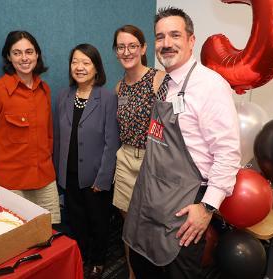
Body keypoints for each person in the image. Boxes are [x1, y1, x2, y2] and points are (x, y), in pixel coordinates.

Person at [123, 7, 241, 279]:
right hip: (149, 200)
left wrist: (208, 208)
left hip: (183, 206)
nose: (166, 43)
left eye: (175, 35)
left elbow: (227, 153)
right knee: (143, 267)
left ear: (191, 40)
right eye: (160, 37)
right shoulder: (165, 84)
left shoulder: (209, 86)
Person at [0, 30, 60, 224]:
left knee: (49, 234)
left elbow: (48, 135)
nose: (24, 58)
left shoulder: (44, 89)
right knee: (15, 241)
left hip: (44, 179)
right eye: (17, 53)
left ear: (37, 54)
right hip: (9, 184)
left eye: (29, 52)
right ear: (8, 57)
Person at [53, 43, 120, 279]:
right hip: (69, 174)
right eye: (75, 62)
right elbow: (58, 137)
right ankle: (81, 256)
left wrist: (103, 178)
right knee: (76, 220)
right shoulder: (63, 96)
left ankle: (98, 260)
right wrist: (57, 173)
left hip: (95, 176)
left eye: (86, 62)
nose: (79, 67)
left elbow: (112, 143)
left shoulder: (108, 97)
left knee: (98, 221)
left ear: (96, 67)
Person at [112, 24, 165, 279]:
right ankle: (133, 273)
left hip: (151, 160)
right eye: (121, 47)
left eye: (133, 46)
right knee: (128, 225)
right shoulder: (119, 88)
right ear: (115, 52)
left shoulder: (158, 79)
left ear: (143, 48)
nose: (127, 51)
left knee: (152, 224)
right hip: (125, 158)